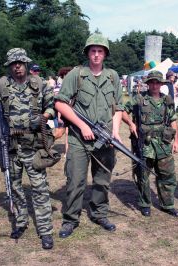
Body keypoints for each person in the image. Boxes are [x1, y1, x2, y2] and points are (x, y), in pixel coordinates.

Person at [0, 48, 55, 250]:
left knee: (40, 189)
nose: (18, 66)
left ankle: (46, 231)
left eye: (21, 62)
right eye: (14, 63)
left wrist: (44, 117)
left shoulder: (40, 84)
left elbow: (52, 106)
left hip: (34, 146)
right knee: (15, 188)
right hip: (10, 147)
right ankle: (21, 222)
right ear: (9, 66)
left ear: (27, 63)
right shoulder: (0, 85)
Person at [54, 33, 123, 238]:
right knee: (75, 181)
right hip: (78, 138)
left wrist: (116, 131)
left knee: (102, 179)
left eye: (100, 51)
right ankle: (70, 219)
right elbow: (60, 103)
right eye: (92, 51)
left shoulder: (113, 76)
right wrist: (82, 125)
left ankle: (99, 213)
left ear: (105, 54)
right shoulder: (76, 74)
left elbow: (118, 107)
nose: (96, 55)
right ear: (87, 53)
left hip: (105, 137)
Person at [122, 70, 178, 218]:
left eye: (157, 82)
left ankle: (167, 204)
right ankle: (145, 204)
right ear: (148, 84)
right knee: (143, 175)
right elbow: (122, 111)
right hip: (145, 144)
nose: (155, 85)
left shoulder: (167, 100)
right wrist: (130, 123)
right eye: (152, 82)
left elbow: (173, 120)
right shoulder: (139, 99)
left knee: (167, 175)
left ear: (161, 84)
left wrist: (176, 141)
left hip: (164, 143)